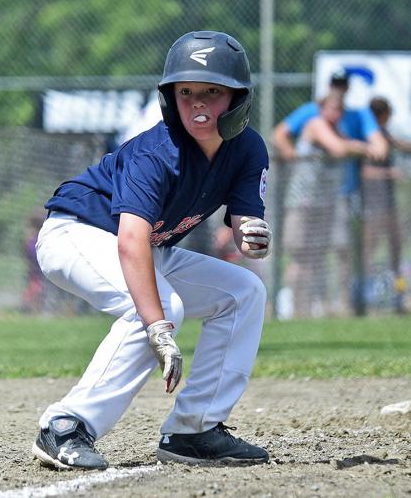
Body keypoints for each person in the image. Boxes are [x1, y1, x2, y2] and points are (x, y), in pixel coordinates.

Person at [31, 31, 272, 470]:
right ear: (169, 98)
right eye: (186, 93)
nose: (198, 104)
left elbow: (242, 224)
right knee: (161, 308)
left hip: (144, 247)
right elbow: (130, 241)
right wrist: (157, 325)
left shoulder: (248, 149)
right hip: (76, 234)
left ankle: (194, 430)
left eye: (212, 92)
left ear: (238, 98)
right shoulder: (156, 154)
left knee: (243, 291)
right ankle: (64, 425)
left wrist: (251, 233)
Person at [282, 92, 371, 317]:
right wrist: (361, 147)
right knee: (300, 258)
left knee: (317, 258)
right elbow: (339, 149)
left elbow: (345, 145)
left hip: (322, 205)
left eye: (340, 109)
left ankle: (311, 309)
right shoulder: (316, 124)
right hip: (302, 203)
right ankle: (295, 310)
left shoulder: (337, 131)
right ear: (322, 109)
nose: (336, 113)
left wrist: (354, 145)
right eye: (331, 108)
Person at [362, 96, 411, 313]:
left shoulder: (385, 134)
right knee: (369, 252)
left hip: (389, 205)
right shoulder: (369, 137)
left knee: (395, 249)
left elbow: (400, 145)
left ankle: (398, 296)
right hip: (372, 205)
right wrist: (390, 173)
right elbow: (365, 170)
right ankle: (366, 297)